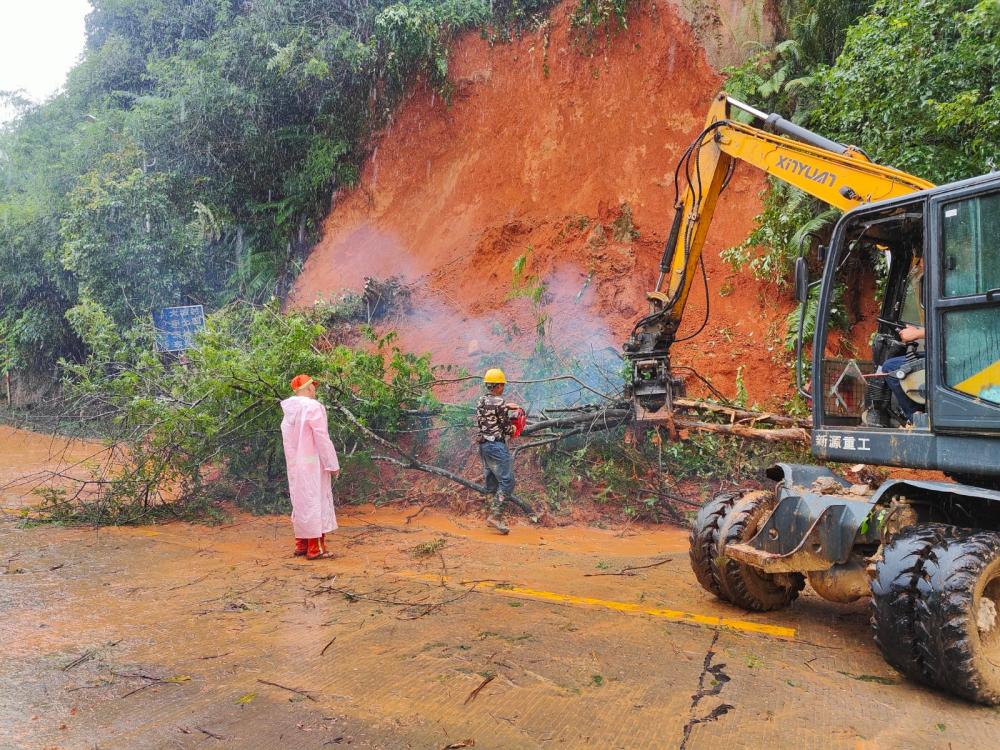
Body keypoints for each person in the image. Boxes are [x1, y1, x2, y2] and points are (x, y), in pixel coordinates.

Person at [280, 374, 340, 559]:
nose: (315, 390)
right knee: (316, 500)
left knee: (300, 501)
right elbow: (321, 436)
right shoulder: (313, 407)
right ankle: (315, 549)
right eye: (313, 387)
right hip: (313, 462)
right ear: (308, 388)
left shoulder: (289, 411)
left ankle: (301, 544)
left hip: (296, 464)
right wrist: (332, 463)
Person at [476, 368, 520, 534]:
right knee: (508, 481)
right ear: (498, 386)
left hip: (484, 446)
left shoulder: (481, 400)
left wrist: (505, 406)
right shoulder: (500, 403)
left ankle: (490, 515)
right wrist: (514, 427)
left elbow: (490, 411)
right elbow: (506, 426)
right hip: (496, 445)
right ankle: (495, 516)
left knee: (492, 482)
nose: (503, 388)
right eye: (502, 385)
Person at [880, 324, 925, 422]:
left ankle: (917, 418)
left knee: (890, 367)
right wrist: (917, 330)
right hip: (950, 354)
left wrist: (917, 333)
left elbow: (952, 328)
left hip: (950, 358)